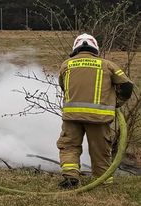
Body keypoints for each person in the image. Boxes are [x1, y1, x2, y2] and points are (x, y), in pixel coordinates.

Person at [56, 33, 133, 188]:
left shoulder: (66, 65)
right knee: (100, 151)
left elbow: (63, 86)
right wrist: (117, 103)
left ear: (76, 48)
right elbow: (127, 86)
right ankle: (103, 182)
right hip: (99, 118)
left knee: (69, 146)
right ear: (95, 48)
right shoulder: (107, 65)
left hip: (72, 116)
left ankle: (71, 176)